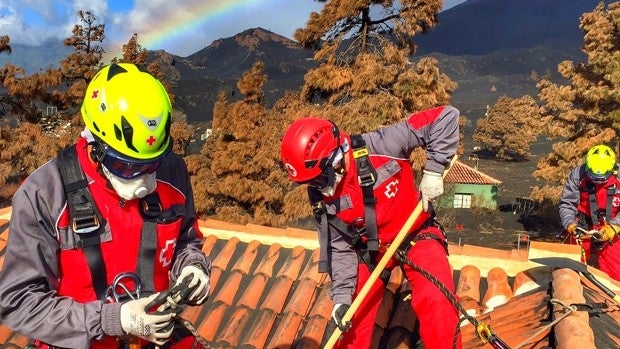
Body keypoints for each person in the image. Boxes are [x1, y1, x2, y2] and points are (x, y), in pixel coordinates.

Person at [0, 63, 212, 348]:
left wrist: (193, 268)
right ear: (95, 145)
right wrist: (113, 319)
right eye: (125, 166)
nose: (143, 180)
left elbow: (186, 240)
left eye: (152, 164)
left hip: (154, 339)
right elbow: (18, 300)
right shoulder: (45, 194)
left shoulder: (171, 173)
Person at [280, 106, 462, 349]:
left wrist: (434, 170)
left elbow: (446, 116)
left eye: (319, 179)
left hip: (417, 235)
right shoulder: (321, 197)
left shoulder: (383, 145)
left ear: (336, 159)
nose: (316, 187)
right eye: (309, 183)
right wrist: (342, 298)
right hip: (370, 253)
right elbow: (339, 246)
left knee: (438, 301)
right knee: (349, 323)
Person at [559, 144, 620, 281]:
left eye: (601, 179)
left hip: (612, 227)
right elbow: (567, 204)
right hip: (583, 225)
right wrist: (570, 224)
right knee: (571, 268)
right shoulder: (577, 175)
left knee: (616, 268)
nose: (598, 182)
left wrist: (615, 226)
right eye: (594, 177)